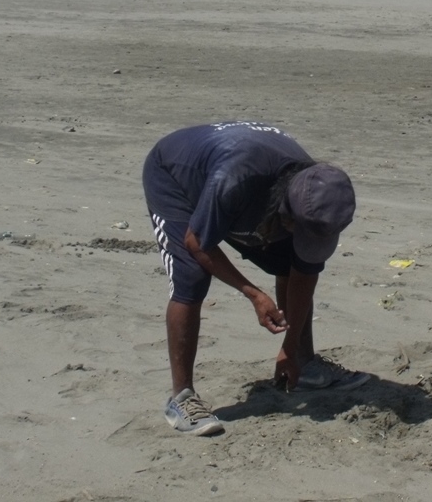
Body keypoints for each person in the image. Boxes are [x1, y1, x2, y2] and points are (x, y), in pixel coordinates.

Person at [142, 120, 369, 435]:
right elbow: (196, 243)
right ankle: (182, 397)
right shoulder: (233, 181)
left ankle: (304, 365)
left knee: (292, 258)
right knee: (192, 278)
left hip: (246, 182)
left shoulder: (315, 189)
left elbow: (305, 271)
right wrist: (253, 294)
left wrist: (289, 347)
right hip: (175, 176)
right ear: (285, 214)